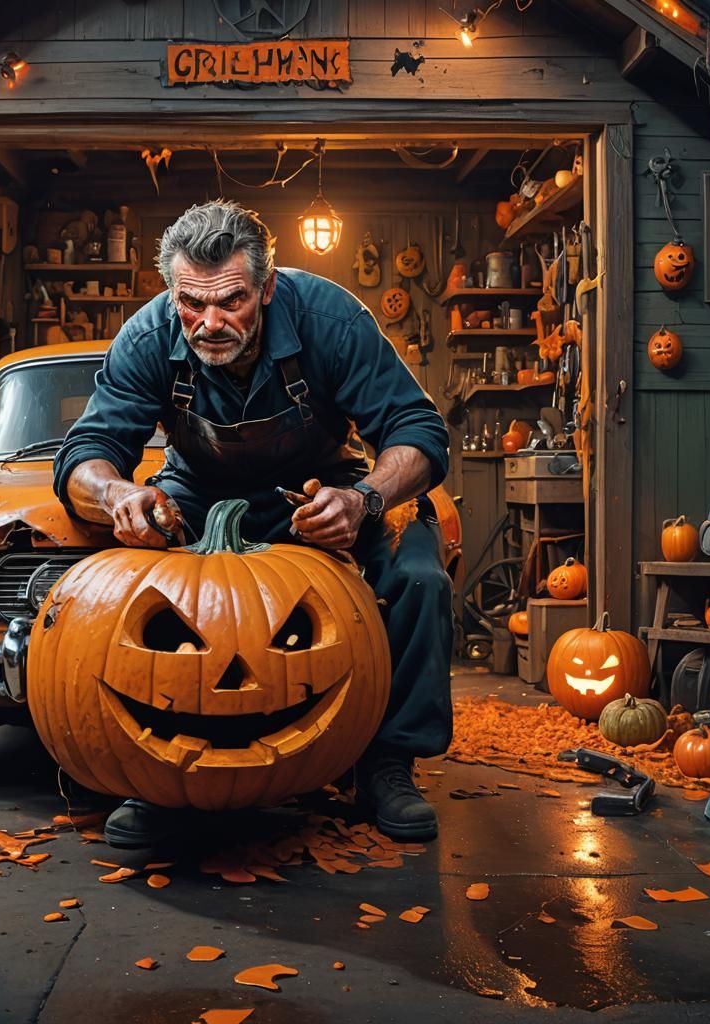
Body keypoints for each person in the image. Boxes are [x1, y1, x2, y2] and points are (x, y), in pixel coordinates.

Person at [53, 200, 452, 848]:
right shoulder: (150, 336)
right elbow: (88, 449)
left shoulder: (330, 319)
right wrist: (116, 493)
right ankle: (159, 773)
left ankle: (387, 765)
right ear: (172, 292)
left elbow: (419, 431)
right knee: (128, 591)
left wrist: (365, 501)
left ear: (266, 288)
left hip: (325, 485)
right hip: (196, 490)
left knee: (418, 575)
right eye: (192, 303)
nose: (209, 323)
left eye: (231, 301)